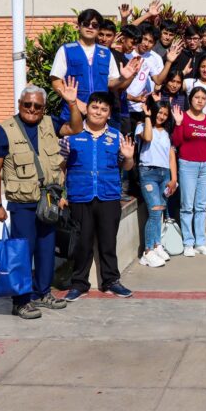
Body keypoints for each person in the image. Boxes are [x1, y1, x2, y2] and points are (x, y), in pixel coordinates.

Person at [0, 82, 79, 319]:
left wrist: (72, 103)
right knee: (22, 252)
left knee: (46, 250)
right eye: (27, 104)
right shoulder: (2, 131)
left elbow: (76, 127)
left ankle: (42, 293)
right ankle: (20, 301)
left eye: (37, 106)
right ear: (20, 104)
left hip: (48, 200)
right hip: (22, 203)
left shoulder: (50, 123)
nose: (32, 109)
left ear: (43, 108)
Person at [63, 91, 136, 301]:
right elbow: (60, 166)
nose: (98, 112)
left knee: (108, 242)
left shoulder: (116, 136)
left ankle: (111, 281)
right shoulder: (72, 135)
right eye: (95, 107)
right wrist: (62, 193)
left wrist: (129, 158)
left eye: (104, 109)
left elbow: (126, 166)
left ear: (109, 114)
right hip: (80, 196)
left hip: (108, 196)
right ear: (86, 109)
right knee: (82, 243)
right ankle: (78, 284)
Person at [49, 9, 140, 126]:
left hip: (99, 113)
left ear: (98, 29)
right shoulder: (66, 50)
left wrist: (122, 78)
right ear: (79, 26)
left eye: (95, 25)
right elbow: (56, 82)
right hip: (73, 112)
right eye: (86, 24)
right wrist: (77, 103)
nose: (90, 27)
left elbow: (111, 84)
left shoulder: (106, 53)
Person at [172, 87, 206, 257]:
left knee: (201, 206)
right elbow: (176, 142)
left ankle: (200, 242)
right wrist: (178, 124)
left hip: (205, 165)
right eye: (196, 97)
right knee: (187, 206)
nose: (200, 100)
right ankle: (188, 243)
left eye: (203, 98)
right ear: (190, 99)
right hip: (187, 165)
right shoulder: (182, 117)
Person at [134, 95, 178, 268]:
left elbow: (171, 157)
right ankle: (147, 252)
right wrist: (147, 116)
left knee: (159, 211)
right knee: (154, 212)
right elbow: (148, 138)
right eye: (159, 112)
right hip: (148, 172)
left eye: (165, 114)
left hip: (164, 173)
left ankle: (156, 244)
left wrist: (174, 179)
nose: (162, 116)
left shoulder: (167, 133)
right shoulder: (142, 126)